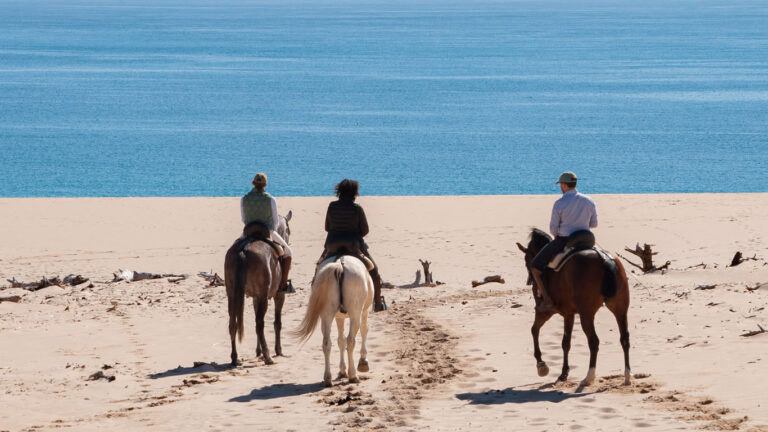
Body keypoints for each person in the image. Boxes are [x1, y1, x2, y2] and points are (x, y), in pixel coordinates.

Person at [530, 171, 597, 312]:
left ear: (565, 185)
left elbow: (553, 229)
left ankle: (547, 301)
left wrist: (562, 230)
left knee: (535, 267)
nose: (560, 187)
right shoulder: (589, 201)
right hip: (587, 239)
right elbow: (594, 224)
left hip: (565, 240)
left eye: (561, 184)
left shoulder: (560, 203)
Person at [323, 179, 386, 312]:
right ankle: (377, 302)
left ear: (339, 191)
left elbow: (327, 227)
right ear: (354, 193)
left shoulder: (332, 206)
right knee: (374, 271)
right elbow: (365, 230)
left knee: (319, 267)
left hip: (332, 245)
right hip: (353, 246)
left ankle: (314, 291)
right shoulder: (357, 208)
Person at [241, 173, 293, 293]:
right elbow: (275, 222)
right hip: (267, 231)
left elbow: (243, 219)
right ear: (265, 185)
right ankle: (283, 285)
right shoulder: (270, 199)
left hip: (248, 230)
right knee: (289, 252)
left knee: (234, 248)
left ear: (253, 183)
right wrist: (270, 228)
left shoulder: (244, 198)